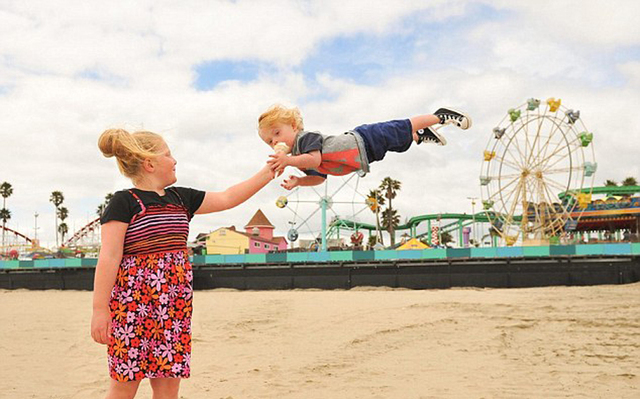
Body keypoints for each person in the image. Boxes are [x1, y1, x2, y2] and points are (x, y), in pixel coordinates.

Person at [91, 128, 274, 399]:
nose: (174, 160)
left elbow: (227, 197)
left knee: (168, 385)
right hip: (131, 310)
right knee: (124, 384)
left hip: (173, 311)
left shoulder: (181, 198)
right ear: (149, 163)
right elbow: (109, 257)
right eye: (168, 154)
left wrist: (269, 171)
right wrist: (99, 309)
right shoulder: (124, 202)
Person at [259, 104, 472, 190]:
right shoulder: (299, 159)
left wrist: (287, 161)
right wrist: (299, 181)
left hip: (363, 138)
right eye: (269, 141)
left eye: (277, 133)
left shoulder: (305, 139)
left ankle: (439, 116)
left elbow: (314, 159)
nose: (275, 141)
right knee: (396, 143)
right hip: (366, 155)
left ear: (294, 127)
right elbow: (320, 177)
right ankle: (419, 136)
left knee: (400, 127)